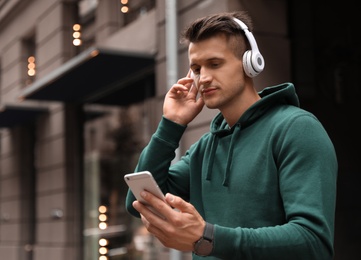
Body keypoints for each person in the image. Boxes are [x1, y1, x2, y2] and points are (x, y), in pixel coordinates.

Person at [125, 11, 337, 260]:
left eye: (215, 64)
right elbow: (140, 203)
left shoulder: (296, 129)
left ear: (250, 62)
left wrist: (208, 237)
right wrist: (171, 124)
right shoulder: (205, 147)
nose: (203, 78)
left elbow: (313, 242)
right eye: (196, 68)